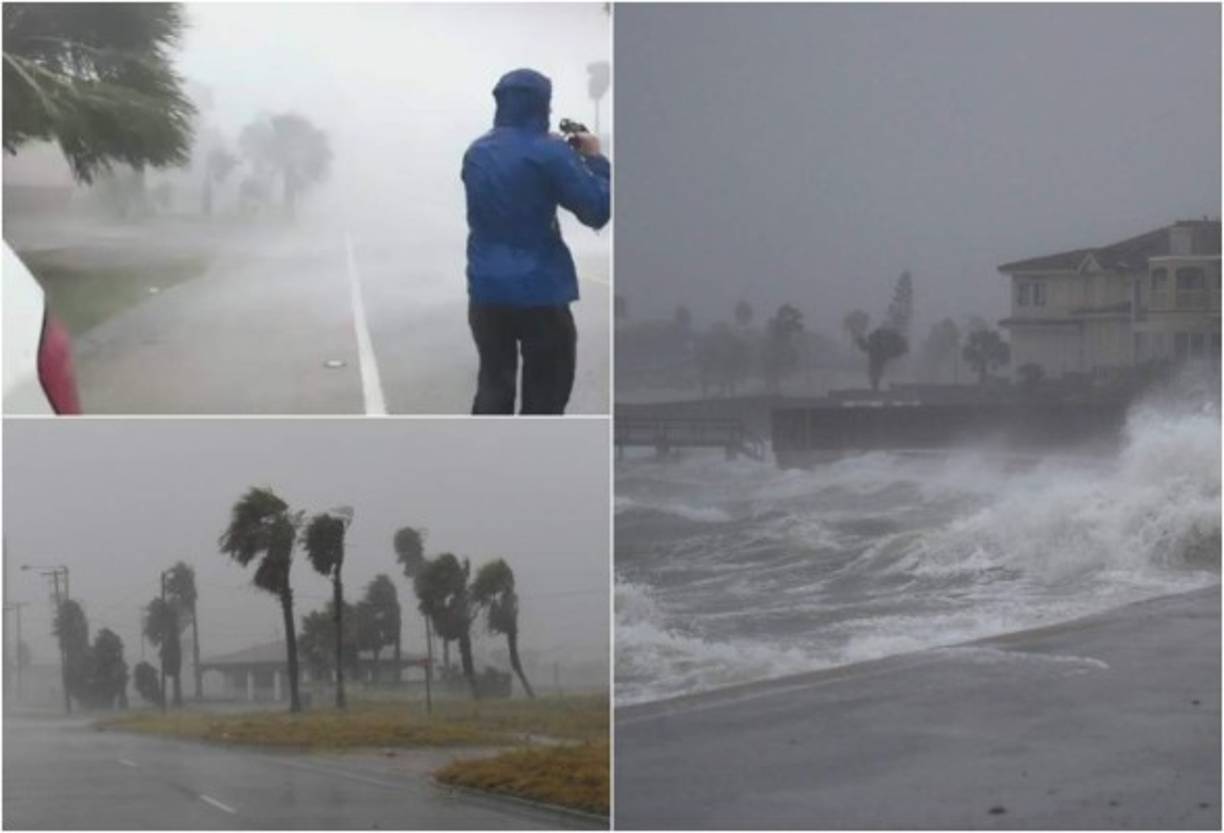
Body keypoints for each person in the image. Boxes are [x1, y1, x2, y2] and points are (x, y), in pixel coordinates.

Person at [462, 67, 611, 415]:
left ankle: (483, 463)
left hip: (485, 291)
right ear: (542, 105)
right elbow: (596, 211)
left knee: (493, 388)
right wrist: (594, 160)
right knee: (546, 394)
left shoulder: (476, 152)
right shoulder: (550, 153)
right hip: (540, 292)